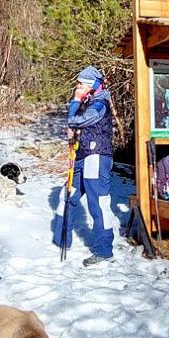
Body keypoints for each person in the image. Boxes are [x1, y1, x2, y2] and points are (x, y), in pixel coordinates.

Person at [53, 66, 116, 266]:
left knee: (98, 204)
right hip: (82, 156)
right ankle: (62, 239)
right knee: (68, 195)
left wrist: (75, 101)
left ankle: (104, 250)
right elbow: (75, 124)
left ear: (90, 85)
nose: (77, 87)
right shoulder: (89, 101)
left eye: (81, 84)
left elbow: (73, 119)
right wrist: (72, 133)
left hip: (96, 158)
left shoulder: (100, 104)